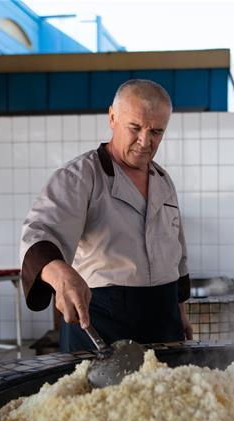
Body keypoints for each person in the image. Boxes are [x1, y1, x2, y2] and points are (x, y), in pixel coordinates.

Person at [19, 79, 193, 352]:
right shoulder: (80, 176)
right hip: (102, 319)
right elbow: (40, 232)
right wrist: (59, 274)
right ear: (112, 117)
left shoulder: (163, 180)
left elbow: (176, 252)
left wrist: (179, 310)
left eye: (156, 132)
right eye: (135, 128)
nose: (145, 142)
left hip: (164, 318)